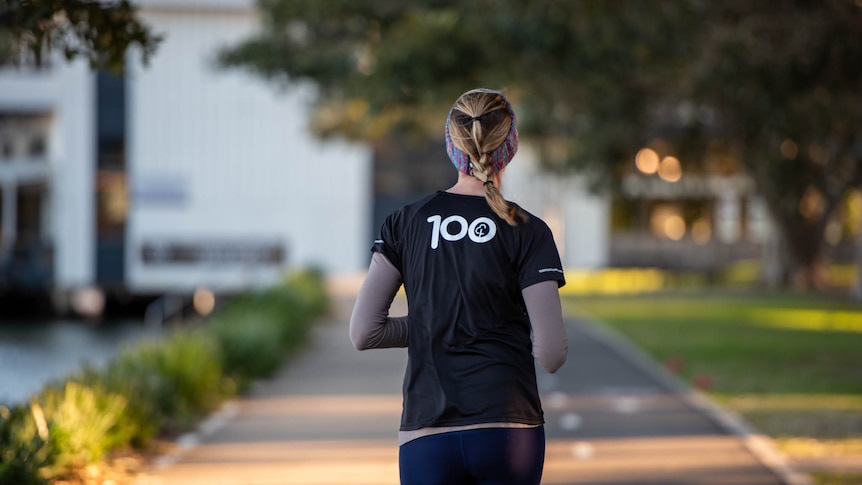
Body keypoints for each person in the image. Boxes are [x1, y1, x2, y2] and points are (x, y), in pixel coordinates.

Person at [349, 88, 568, 485]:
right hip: (509, 431)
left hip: (427, 431)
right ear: (511, 146)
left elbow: (365, 332)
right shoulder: (528, 231)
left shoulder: (405, 222)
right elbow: (551, 354)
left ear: (452, 146)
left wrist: (432, 321)